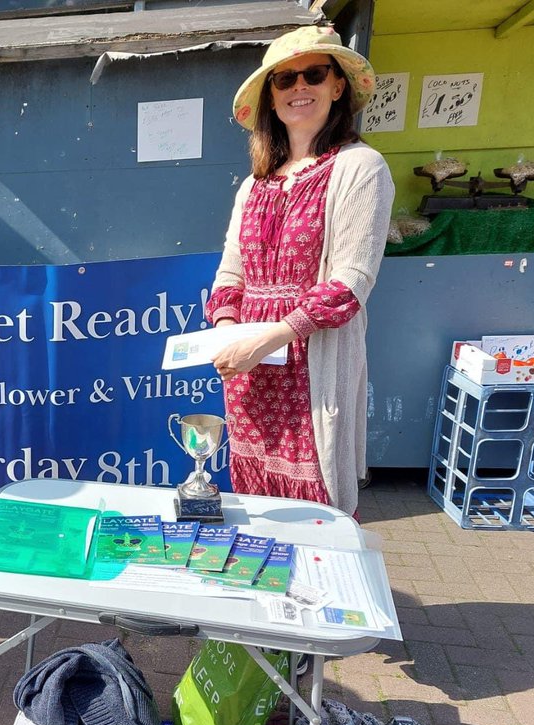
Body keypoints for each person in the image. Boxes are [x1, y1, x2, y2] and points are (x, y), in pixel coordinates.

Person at [208, 25, 393, 517]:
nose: (298, 87)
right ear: (271, 96)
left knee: (319, 506)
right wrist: (230, 335)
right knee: (255, 508)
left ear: (338, 86)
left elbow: (349, 284)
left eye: (314, 73)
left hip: (311, 365)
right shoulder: (254, 185)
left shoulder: (361, 167)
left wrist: (267, 339)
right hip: (253, 369)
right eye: (284, 79)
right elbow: (230, 274)